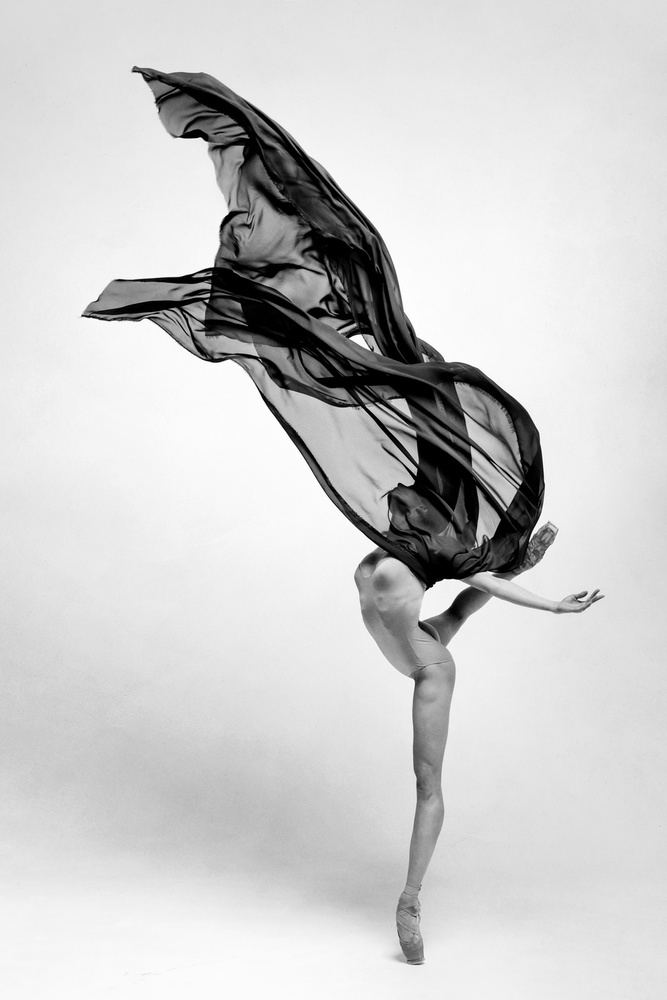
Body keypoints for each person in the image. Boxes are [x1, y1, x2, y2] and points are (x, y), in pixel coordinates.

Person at [83, 69, 604, 965]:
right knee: (446, 602)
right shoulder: (417, 565)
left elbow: (461, 591)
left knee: (427, 781)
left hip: (430, 642)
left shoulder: (419, 579)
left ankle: (409, 899)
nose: (410, 500)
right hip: (428, 626)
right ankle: (498, 538)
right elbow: (455, 600)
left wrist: (543, 597)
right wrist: (520, 574)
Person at [355, 522, 602, 964]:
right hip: (414, 639)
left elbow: (487, 583)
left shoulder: (438, 547)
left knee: (427, 784)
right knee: (455, 616)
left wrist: (554, 606)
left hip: (429, 665)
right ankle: (522, 561)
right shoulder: (388, 534)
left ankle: (409, 902)